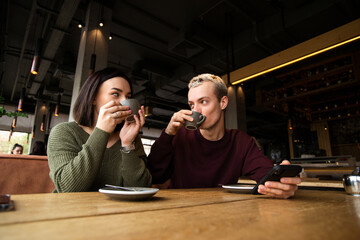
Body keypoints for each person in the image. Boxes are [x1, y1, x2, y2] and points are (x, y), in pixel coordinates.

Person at [148, 73, 301, 199]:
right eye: (192, 105)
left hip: (222, 213)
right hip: (178, 212)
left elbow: (265, 175)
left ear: (223, 102)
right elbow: (154, 175)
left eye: (203, 101)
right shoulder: (179, 136)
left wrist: (281, 181)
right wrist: (168, 132)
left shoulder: (241, 142)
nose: (196, 111)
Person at [47, 67, 152, 192]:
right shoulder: (64, 132)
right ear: (93, 99)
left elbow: (141, 189)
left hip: (118, 211)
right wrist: (101, 131)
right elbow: (67, 189)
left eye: (128, 96)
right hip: (73, 209)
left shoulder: (131, 137)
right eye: (115, 94)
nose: (124, 101)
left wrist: (127, 144)